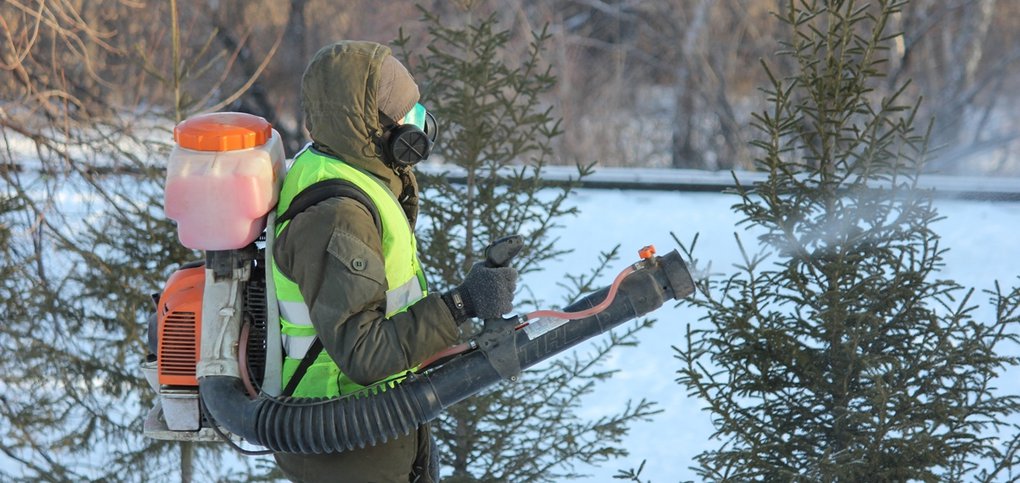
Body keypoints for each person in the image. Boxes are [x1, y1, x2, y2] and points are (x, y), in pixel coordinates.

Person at [270, 40, 518, 483]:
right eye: (408, 121)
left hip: (373, 424)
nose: (417, 132)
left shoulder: (339, 166)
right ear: (368, 125)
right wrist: (461, 305)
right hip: (344, 441)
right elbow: (362, 352)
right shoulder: (338, 216)